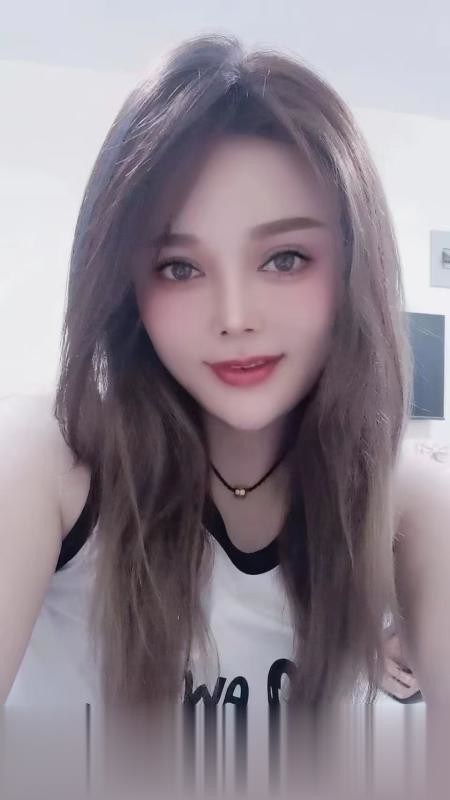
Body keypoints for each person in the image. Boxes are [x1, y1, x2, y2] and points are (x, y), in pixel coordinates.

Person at [1, 35, 449, 723]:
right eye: (179, 267)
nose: (235, 318)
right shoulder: (49, 464)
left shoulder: (405, 496)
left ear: (353, 268)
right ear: (125, 287)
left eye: (285, 259)